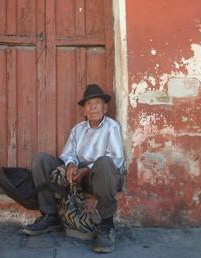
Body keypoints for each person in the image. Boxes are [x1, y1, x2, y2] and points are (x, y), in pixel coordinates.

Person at [22, 84, 125, 253]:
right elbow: (68, 153)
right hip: (78, 175)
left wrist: (87, 170)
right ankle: (50, 215)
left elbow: (116, 159)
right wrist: (71, 165)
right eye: (89, 104)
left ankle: (107, 225)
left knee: (105, 162)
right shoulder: (78, 129)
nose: (93, 108)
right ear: (84, 111)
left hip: (99, 176)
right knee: (40, 159)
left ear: (105, 108)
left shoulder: (112, 127)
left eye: (97, 103)